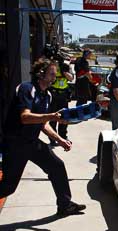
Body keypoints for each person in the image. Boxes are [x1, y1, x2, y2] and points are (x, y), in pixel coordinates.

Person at [0, 58, 86, 216]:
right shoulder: (27, 89)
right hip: (15, 143)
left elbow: (43, 123)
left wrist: (60, 140)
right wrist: (51, 116)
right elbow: (25, 117)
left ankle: (65, 205)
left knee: (57, 166)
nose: (54, 77)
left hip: (32, 143)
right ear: (41, 74)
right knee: (8, 187)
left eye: (55, 74)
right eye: (51, 74)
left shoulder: (47, 96)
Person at [48, 61, 74, 146]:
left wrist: (64, 72)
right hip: (54, 94)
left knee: (65, 116)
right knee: (53, 117)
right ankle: (52, 138)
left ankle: (63, 136)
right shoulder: (53, 68)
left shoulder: (66, 67)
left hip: (63, 95)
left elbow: (71, 78)